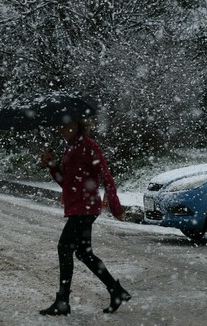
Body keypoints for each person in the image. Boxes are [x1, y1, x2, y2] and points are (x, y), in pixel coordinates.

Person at [39, 120, 131, 316]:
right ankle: (116, 291)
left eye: (66, 125)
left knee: (64, 247)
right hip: (77, 208)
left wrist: (115, 207)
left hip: (86, 208)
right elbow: (66, 183)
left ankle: (63, 301)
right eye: (61, 126)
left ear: (78, 125)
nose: (62, 129)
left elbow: (107, 177)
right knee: (83, 253)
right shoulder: (70, 148)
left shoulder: (89, 146)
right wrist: (53, 166)